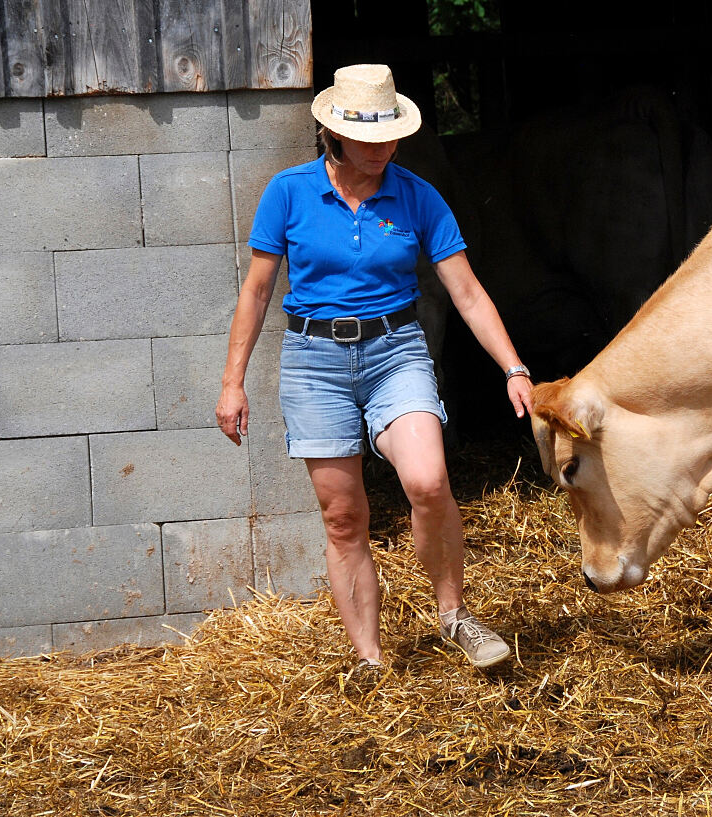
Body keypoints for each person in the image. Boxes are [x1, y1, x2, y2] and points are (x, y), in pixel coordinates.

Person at [215, 64, 533, 673]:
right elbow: (255, 293)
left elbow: (465, 291)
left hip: (395, 351)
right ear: (332, 135)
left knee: (428, 480)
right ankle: (371, 660)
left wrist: (513, 366)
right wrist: (232, 383)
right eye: (368, 137)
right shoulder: (288, 192)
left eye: (390, 134)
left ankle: (455, 617)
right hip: (314, 361)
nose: (382, 148)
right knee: (344, 515)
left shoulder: (417, 195)